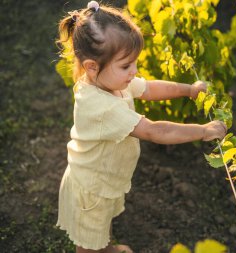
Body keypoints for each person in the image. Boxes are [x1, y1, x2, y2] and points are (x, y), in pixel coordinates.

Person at [56, 1, 227, 253]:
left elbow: (149, 88)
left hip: (106, 179)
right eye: (126, 65)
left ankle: (106, 248)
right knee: (88, 241)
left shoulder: (110, 81)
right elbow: (156, 131)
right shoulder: (102, 106)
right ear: (92, 67)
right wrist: (203, 131)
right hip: (92, 189)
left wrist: (188, 90)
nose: (133, 71)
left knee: (101, 225)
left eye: (134, 62)